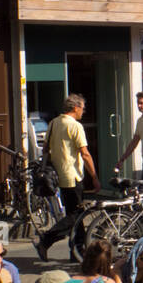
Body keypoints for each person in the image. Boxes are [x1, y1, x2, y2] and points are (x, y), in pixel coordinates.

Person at [33, 95, 100, 261]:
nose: (83, 111)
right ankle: (46, 240)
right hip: (73, 176)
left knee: (75, 213)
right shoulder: (75, 126)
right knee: (76, 216)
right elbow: (84, 153)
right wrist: (95, 177)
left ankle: (77, 252)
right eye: (82, 108)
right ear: (75, 108)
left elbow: (45, 149)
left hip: (59, 176)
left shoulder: (54, 123)